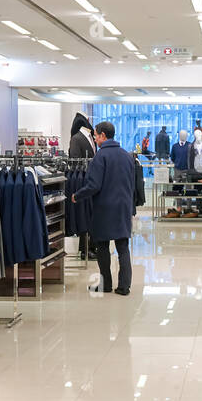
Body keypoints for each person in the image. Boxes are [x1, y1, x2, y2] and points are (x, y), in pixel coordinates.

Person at [72, 121, 134, 295]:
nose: (95, 139)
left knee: (102, 247)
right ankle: (124, 286)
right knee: (123, 247)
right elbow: (132, 184)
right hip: (123, 207)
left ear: (103, 136)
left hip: (104, 208)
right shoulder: (127, 155)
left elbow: (94, 185)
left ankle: (105, 284)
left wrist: (77, 195)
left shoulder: (100, 157)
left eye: (96, 135)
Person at [68, 111, 95, 259]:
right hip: (81, 181)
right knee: (83, 215)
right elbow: (74, 160)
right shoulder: (77, 139)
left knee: (91, 215)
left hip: (91, 181)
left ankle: (91, 246)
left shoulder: (91, 137)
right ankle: (85, 249)